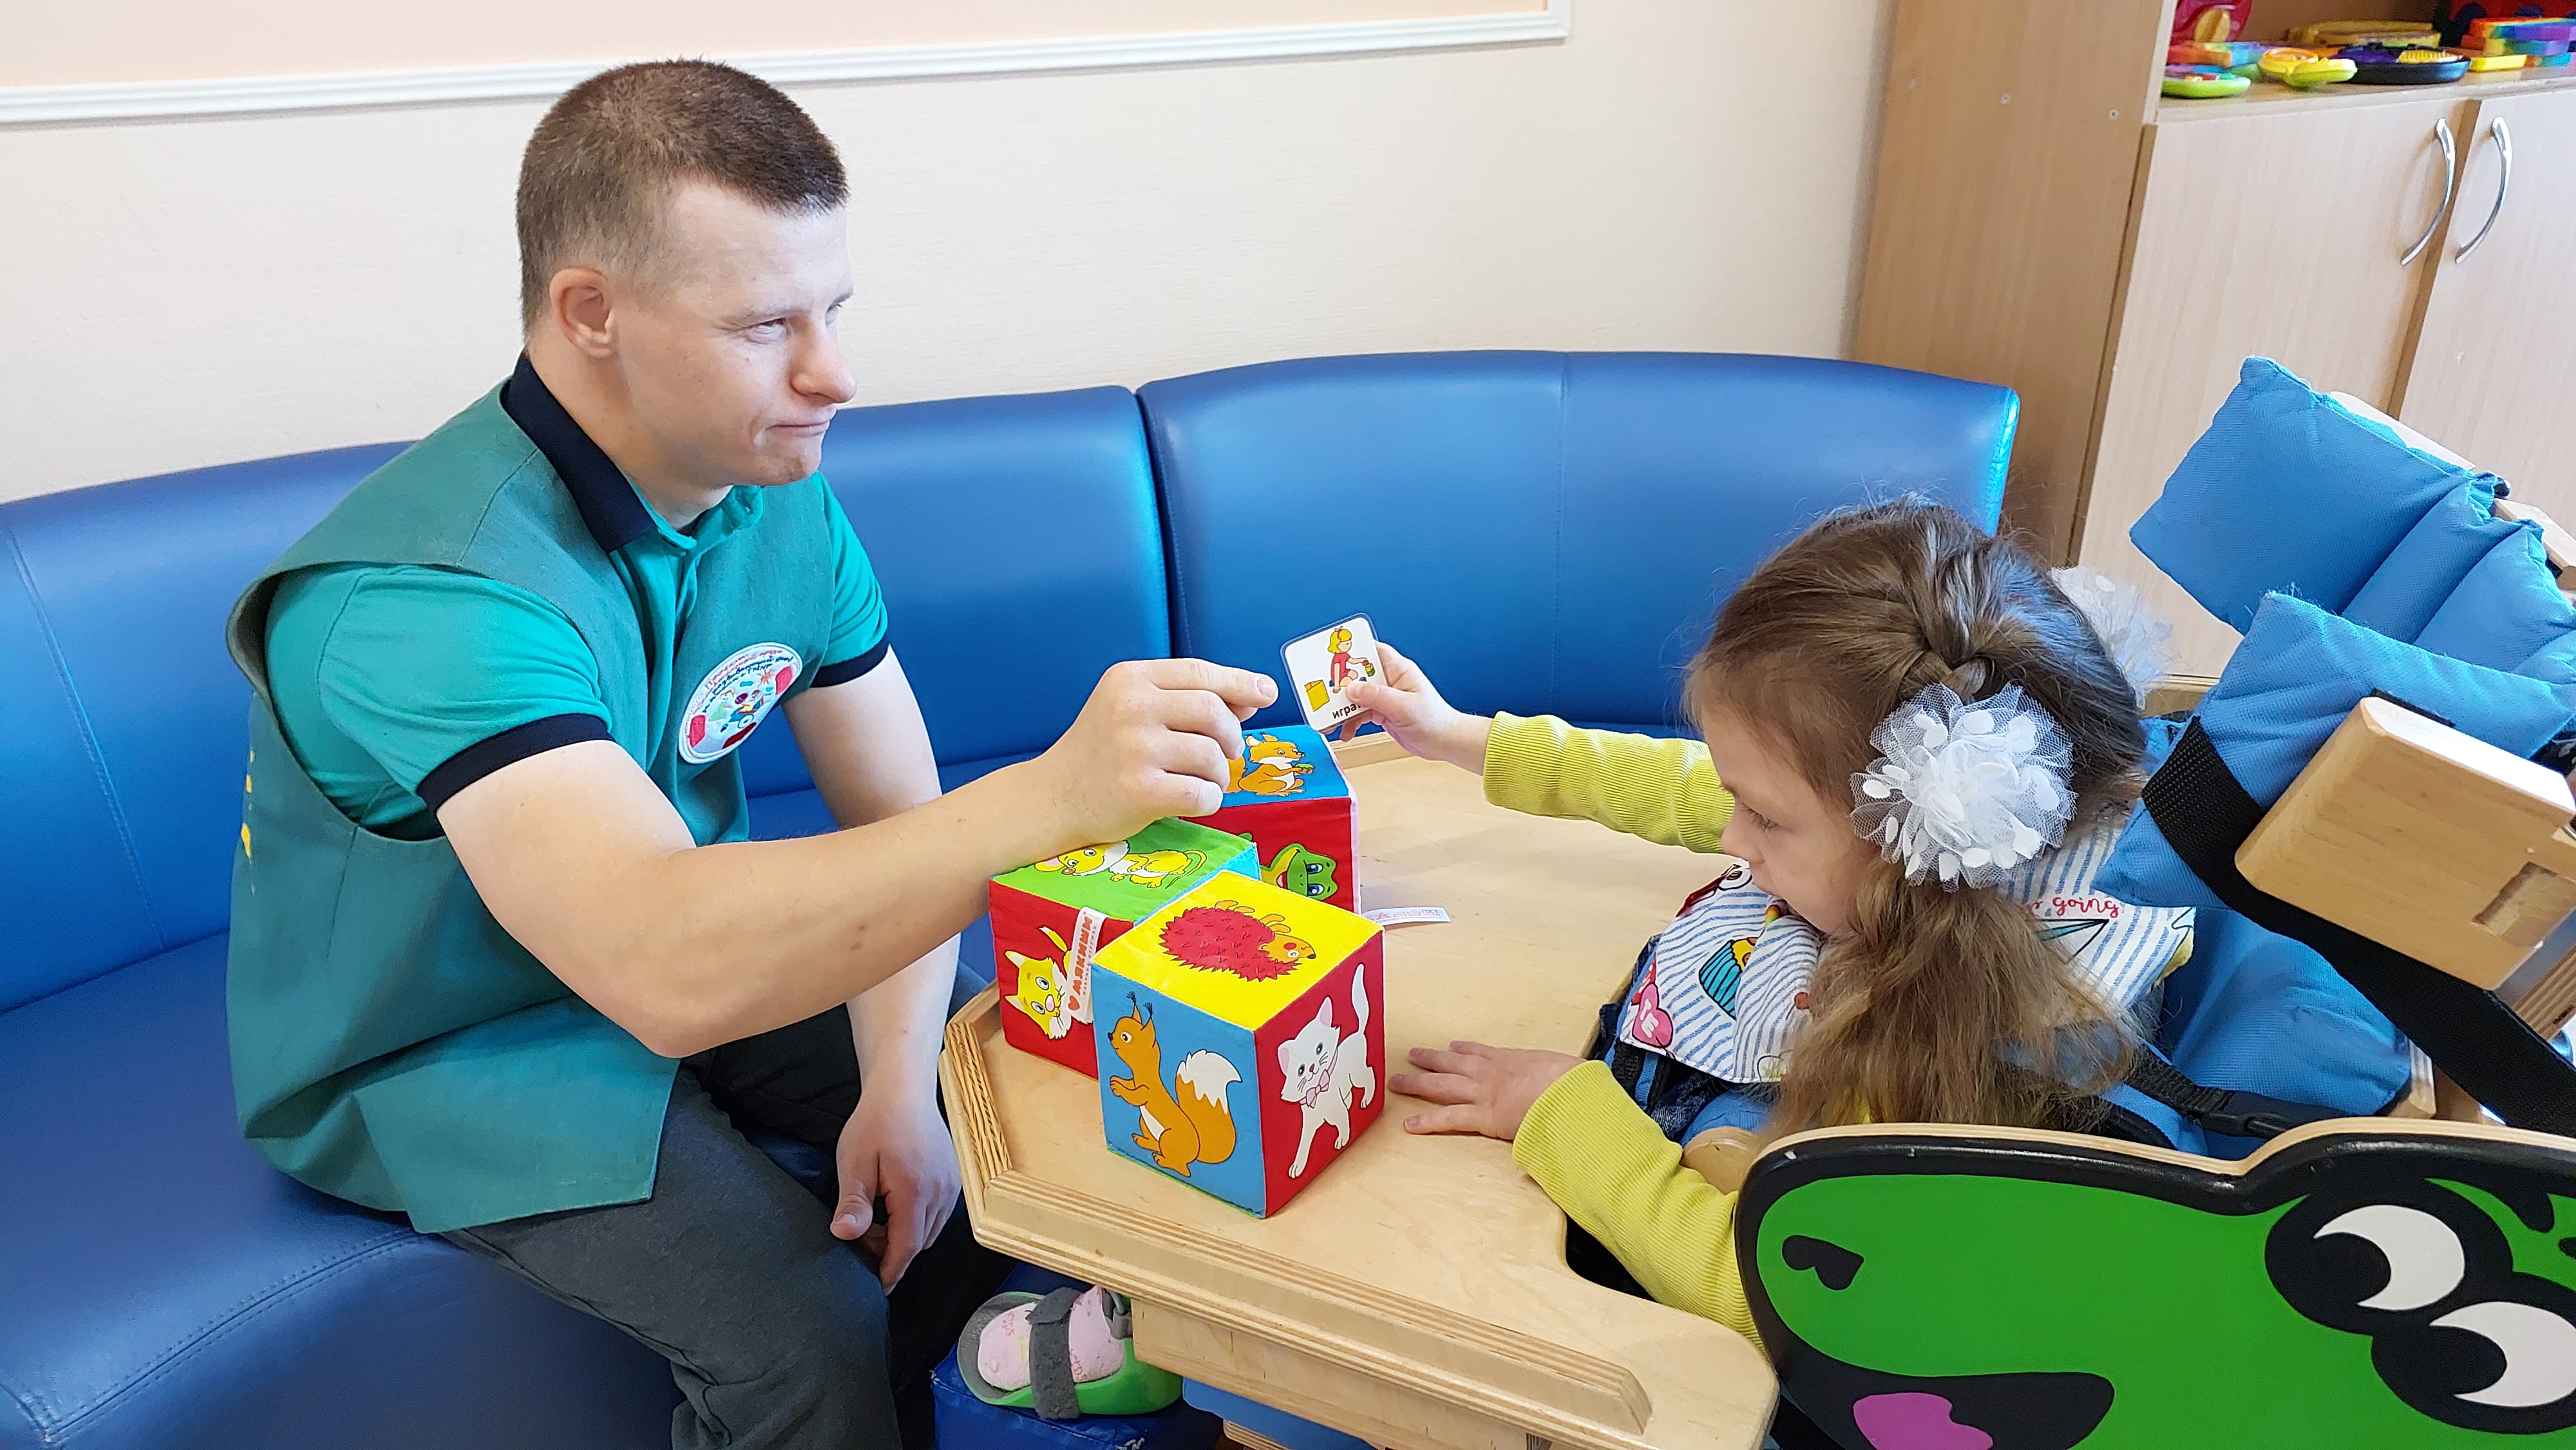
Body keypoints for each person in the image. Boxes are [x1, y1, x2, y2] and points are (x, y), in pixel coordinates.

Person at [224, 61, 1274, 1449]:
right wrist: (1053, 796)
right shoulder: (427, 595)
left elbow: (897, 818)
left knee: (1017, 1130)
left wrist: (901, 1089)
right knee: (803, 1334)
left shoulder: (773, 492)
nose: (833, 373)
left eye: (833, 311)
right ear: (589, 312)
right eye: (766, 324)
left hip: (692, 940)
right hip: (451, 1046)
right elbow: (662, 967)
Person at [1341, 499, 2175, 1345]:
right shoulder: (1925, 830)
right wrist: (1456, 735)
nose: (1734, 839)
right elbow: (1671, 781)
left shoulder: (1953, 1048)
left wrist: (1560, 1112)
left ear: (1908, 836)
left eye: (1765, 820)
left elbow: (1783, 1297)